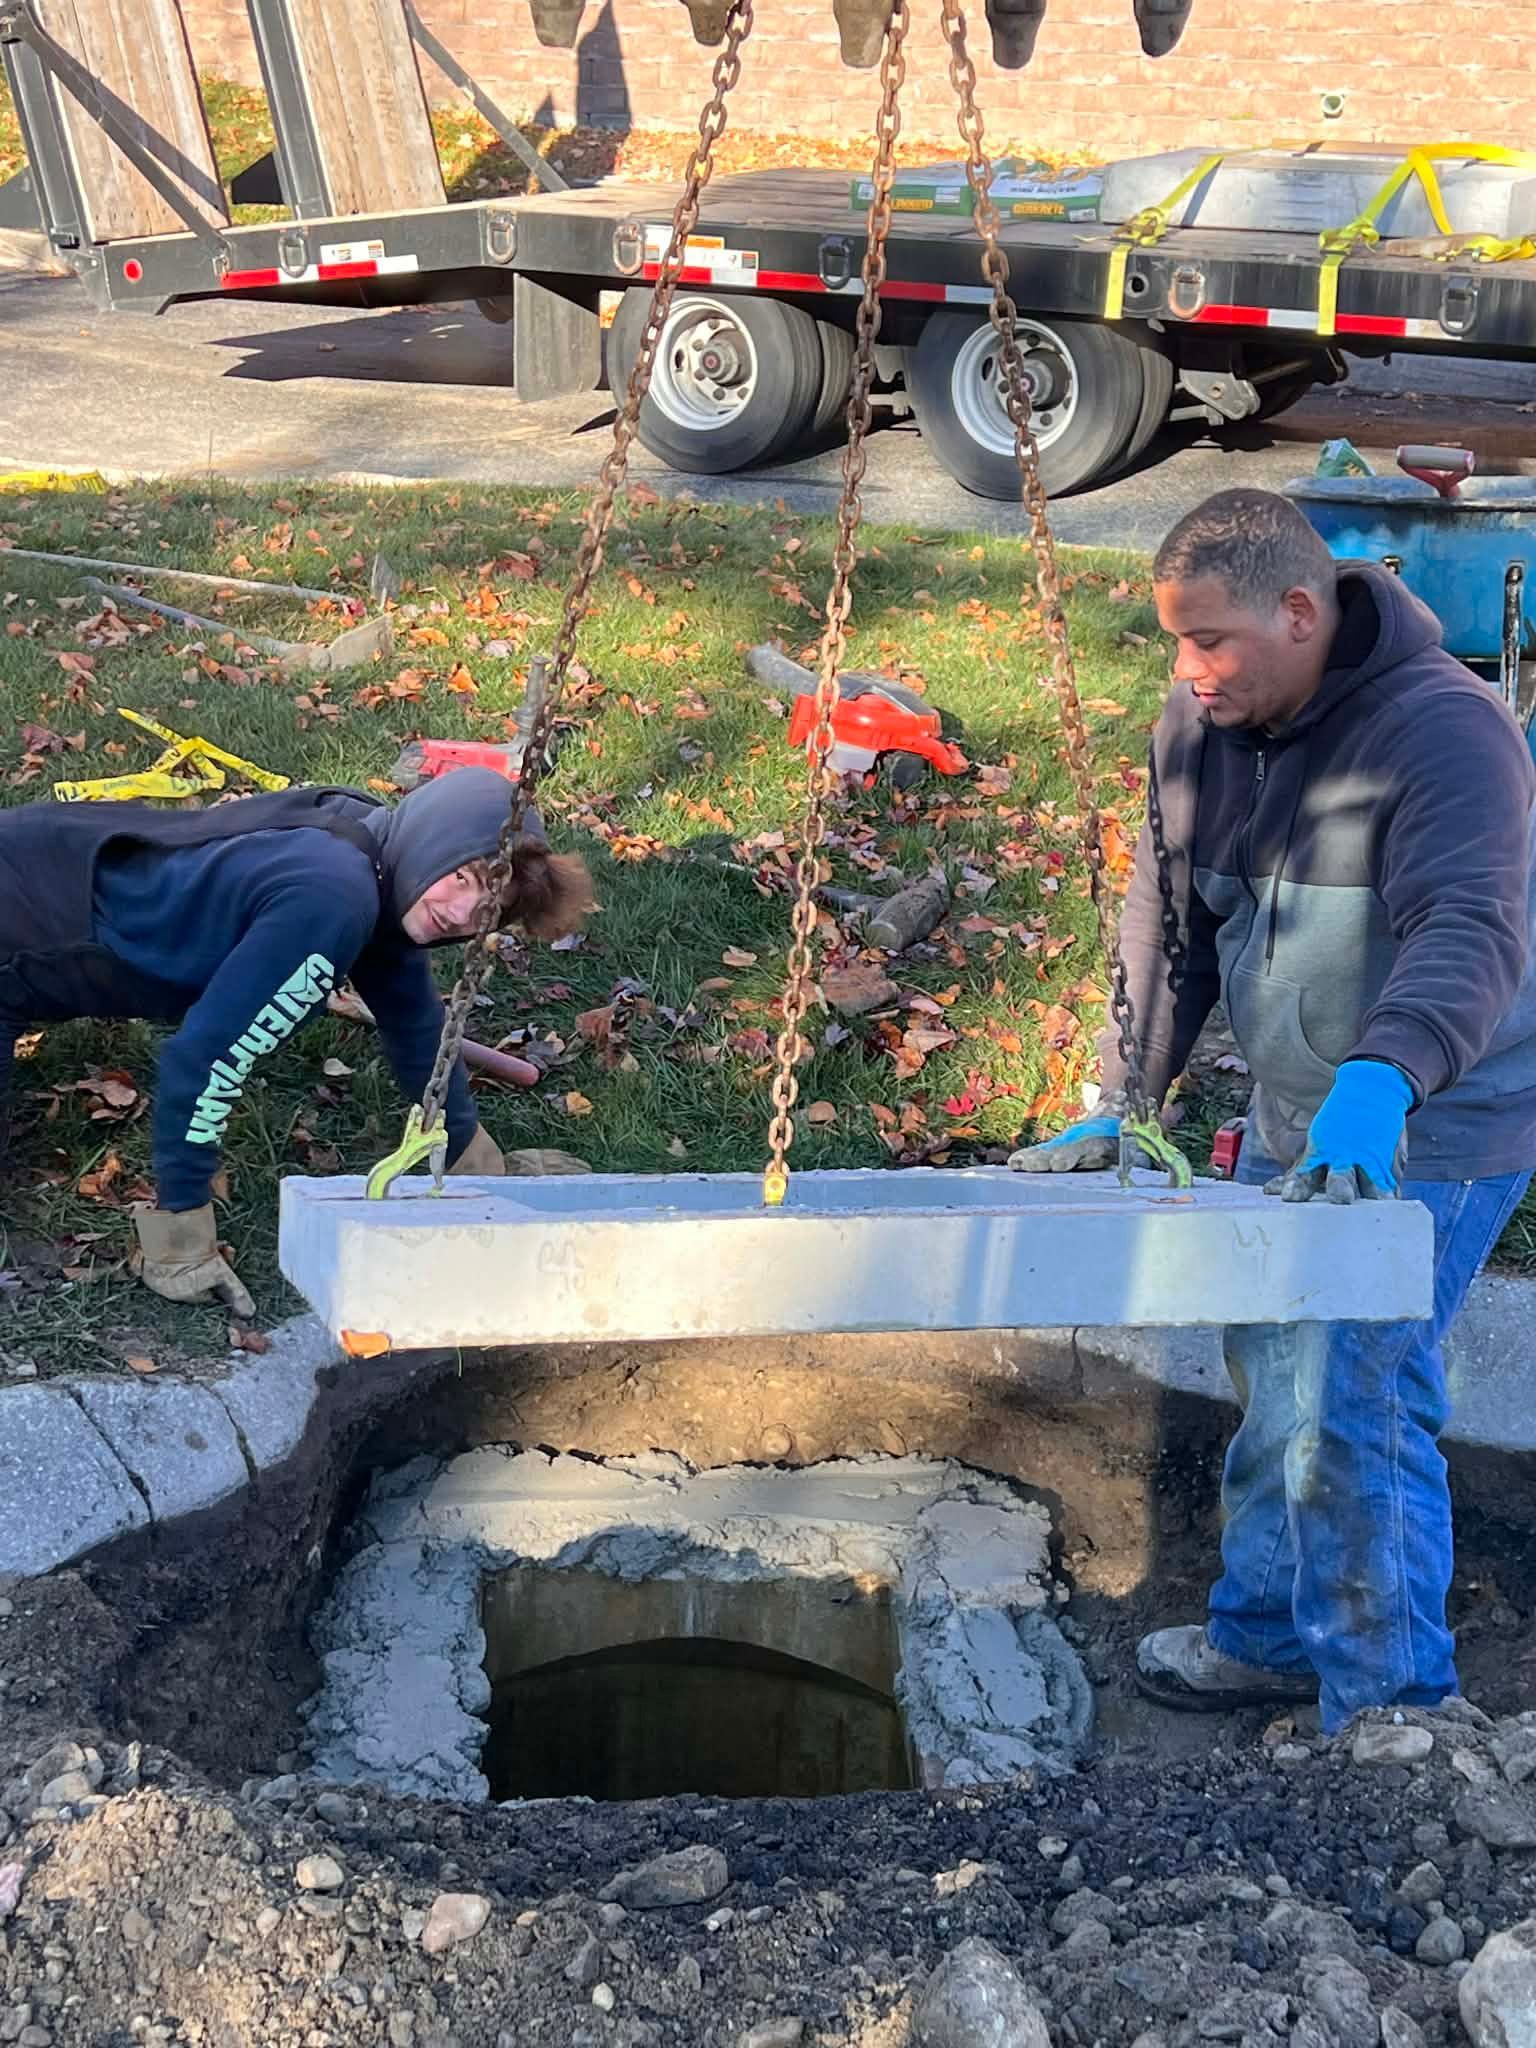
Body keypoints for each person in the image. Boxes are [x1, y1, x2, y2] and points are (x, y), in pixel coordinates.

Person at [1010, 487, 1536, 1734]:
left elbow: (1471, 930)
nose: (1187, 671)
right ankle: (1266, 1635)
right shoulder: (1198, 726)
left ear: (1300, 611)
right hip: (1312, 1104)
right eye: (1174, 642)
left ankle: (1393, 1712)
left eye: (1211, 641)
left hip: (1436, 1112)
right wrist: (1122, 1090)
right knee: (1273, 1361)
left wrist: (1383, 1081)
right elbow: (1170, 922)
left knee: (1354, 1380)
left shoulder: (1449, 734)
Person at [0, 768, 594, 1319]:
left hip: (50, 857)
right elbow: (205, 1060)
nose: (460, 911)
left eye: (487, 905)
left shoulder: (382, 855)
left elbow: (415, 1023)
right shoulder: (332, 901)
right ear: (432, 841)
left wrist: (474, 1165)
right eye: (461, 876)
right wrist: (179, 1232)